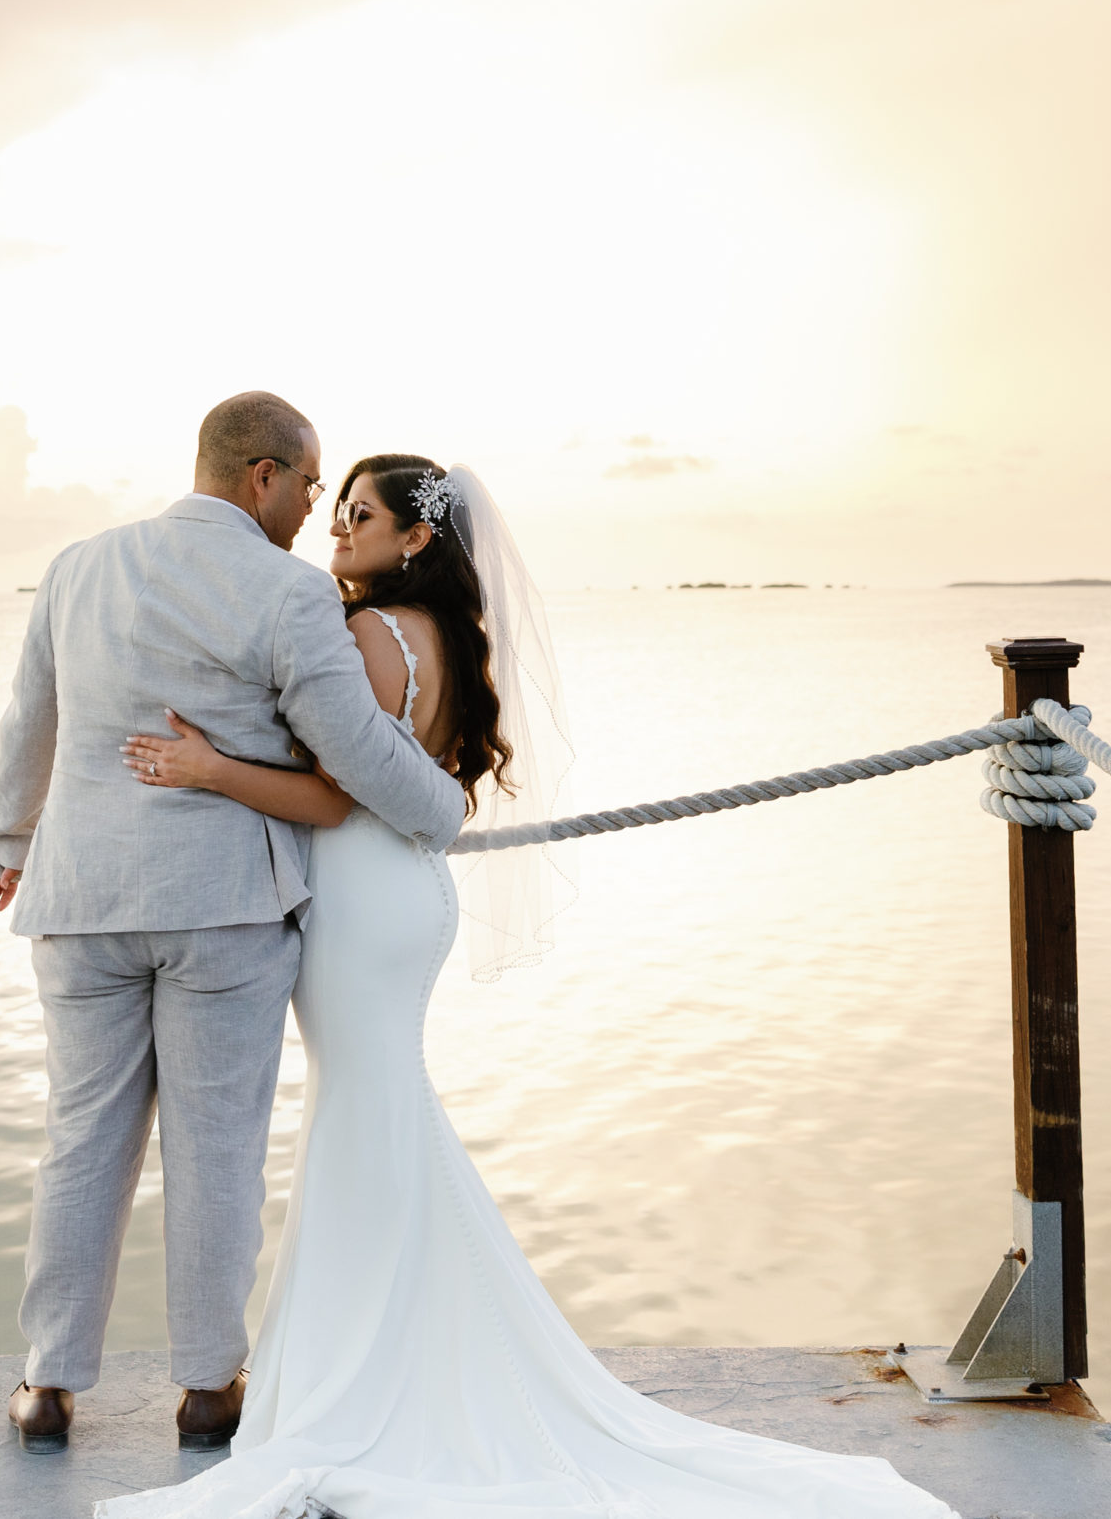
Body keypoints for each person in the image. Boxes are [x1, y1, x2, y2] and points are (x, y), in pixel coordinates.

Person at [97, 457, 960, 1518]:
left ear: (415, 537)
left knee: (364, 1115)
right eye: (337, 512)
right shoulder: (447, 638)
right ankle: (387, 1350)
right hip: (401, 896)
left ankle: (363, 1375)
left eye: (358, 515)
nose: (337, 532)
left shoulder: (369, 637)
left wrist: (208, 769)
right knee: (375, 1113)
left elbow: (330, 792)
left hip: (362, 902)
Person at [0, 394, 468, 1455]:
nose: (309, 513)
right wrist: (444, 807)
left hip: (84, 898)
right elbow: (359, 753)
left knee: (80, 1141)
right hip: (226, 907)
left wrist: (3, 845)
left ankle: (48, 1383)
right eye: (304, 483)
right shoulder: (285, 591)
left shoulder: (77, 566)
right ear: (261, 475)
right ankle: (205, 1389)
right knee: (217, 1151)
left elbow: (31, 716)